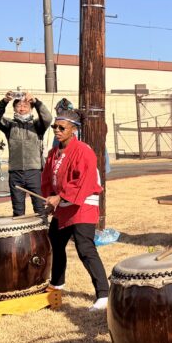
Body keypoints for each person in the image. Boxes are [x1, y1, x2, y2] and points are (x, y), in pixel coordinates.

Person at [41, 108, 110, 311]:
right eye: (55, 126)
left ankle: (104, 294)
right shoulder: (54, 153)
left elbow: (84, 180)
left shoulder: (83, 150)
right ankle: (57, 283)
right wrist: (49, 199)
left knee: (85, 248)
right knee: (55, 240)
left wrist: (60, 196)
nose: (56, 130)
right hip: (64, 205)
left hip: (83, 204)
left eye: (61, 127)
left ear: (74, 130)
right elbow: (47, 178)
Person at [0, 90, 51, 216]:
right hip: (15, 172)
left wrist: (35, 101)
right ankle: (20, 235)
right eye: (18, 106)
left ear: (31, 109)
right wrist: (4, 101)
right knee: (18, 210)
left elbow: (47, 118)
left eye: (25, 106)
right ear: (14, 108)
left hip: (34, 171)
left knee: (40, 207)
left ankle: (42, 234)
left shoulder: (37, 125)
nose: (22, 108)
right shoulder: (9, 125)